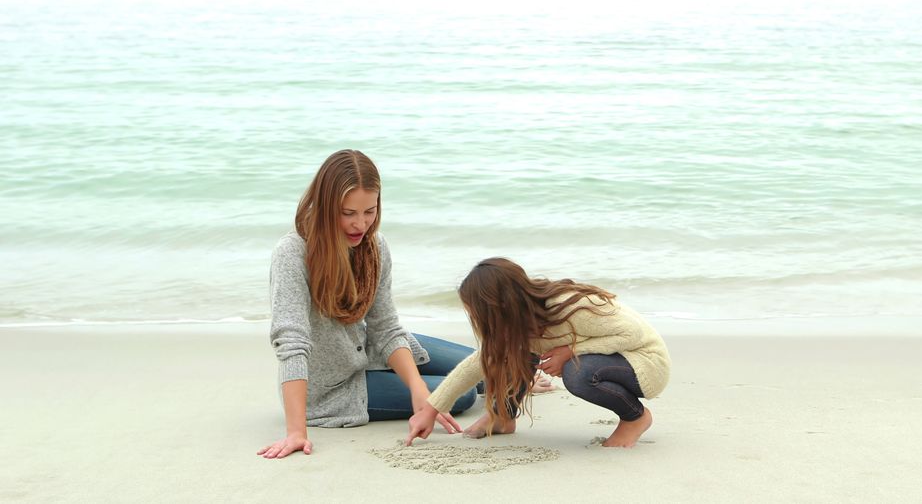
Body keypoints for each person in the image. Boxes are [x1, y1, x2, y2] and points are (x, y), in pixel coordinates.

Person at [258, 149, 477, 459]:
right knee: (464, 392)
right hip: (335, 387)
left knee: (477, 364)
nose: (360, 224)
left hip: (369, 349)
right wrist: (296, 431)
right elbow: (291, 341)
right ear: (325, 205)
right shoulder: (292, 253)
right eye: (348, 213)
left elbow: (385, 327)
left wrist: (417, 389)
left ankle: (522, 377)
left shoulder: (375, 246)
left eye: (369, 211)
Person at [406, 258, 671, 448]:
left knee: (577, 372)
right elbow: (478, 363)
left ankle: (635, 417)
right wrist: (430, 410)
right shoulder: (519, 323)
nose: (476, 319)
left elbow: (632, 335)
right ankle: (502, 417)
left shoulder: (570, 307)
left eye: (477, 312)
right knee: (513, 351)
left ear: (498, 306)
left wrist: (570, 351)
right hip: (615, 358)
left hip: (645, 363)